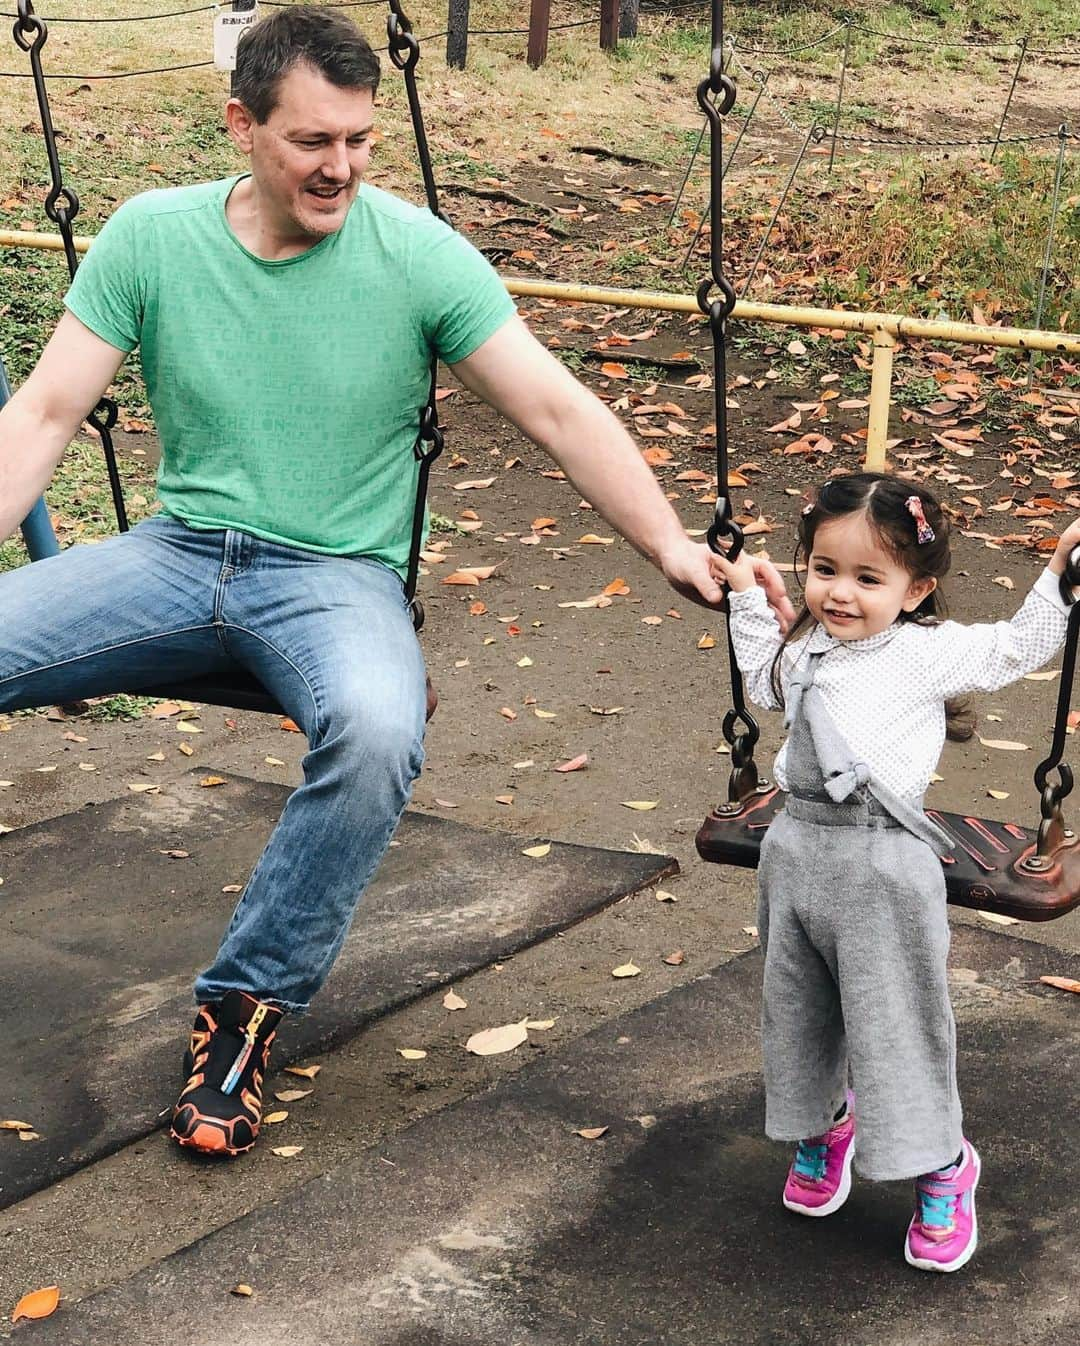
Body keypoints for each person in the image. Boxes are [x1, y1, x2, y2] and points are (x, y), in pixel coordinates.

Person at [0, 6, 791, 1158]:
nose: (341, 166)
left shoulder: (414, 254)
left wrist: (668, 541)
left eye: (361, 140)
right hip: (173, 554)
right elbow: (45, 412)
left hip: (333, 577)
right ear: (242, 124)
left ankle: (242, 1014)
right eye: (313, 141)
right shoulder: (149, 237)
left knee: (376, 728)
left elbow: (558, 406)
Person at [713, 471, 1080, 1273]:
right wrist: (746, 592)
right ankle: (823, 1130)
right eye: (824, 570)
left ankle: (943, 1165)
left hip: (884, 866)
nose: (840, 593)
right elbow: (766, 686)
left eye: (868, 578)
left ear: (916, 590)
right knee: (795, 1011)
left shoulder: (924, 655)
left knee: (895, 1027)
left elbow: (1016, 647)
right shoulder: (801, 644)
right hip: (795, 851)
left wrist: (1059, 573)